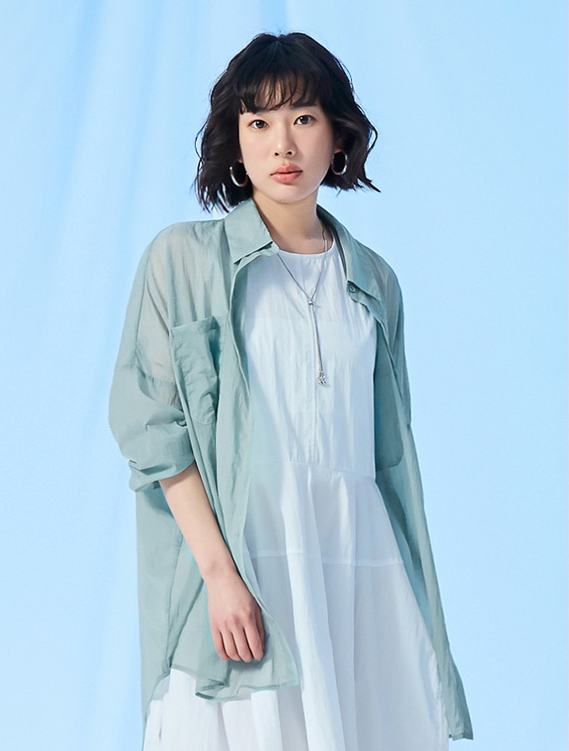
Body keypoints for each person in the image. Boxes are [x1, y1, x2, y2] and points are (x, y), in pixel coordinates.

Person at [108, 31, 473, 751]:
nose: (283, 144)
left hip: (362, 568)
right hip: (249, 564)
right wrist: (220, 575)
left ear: (337, 136)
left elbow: (389, 456)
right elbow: (151, 429)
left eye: (303, 117)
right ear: (235, 142)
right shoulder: (183, 261)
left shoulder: (374, 279)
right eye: (259, 122)